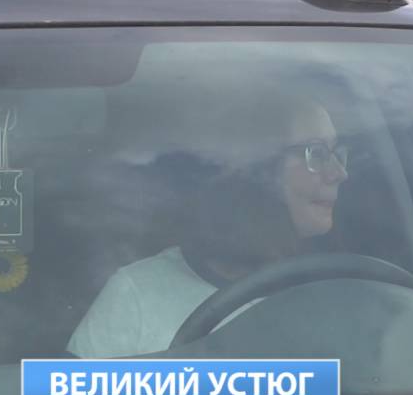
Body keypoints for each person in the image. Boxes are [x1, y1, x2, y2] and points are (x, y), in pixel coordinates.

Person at [68, 95, 347, 358]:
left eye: (337, 153)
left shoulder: (345, 289)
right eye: (316, 153)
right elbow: (75, 393)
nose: (339, 173)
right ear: (253, 171)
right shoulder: (137, 295)